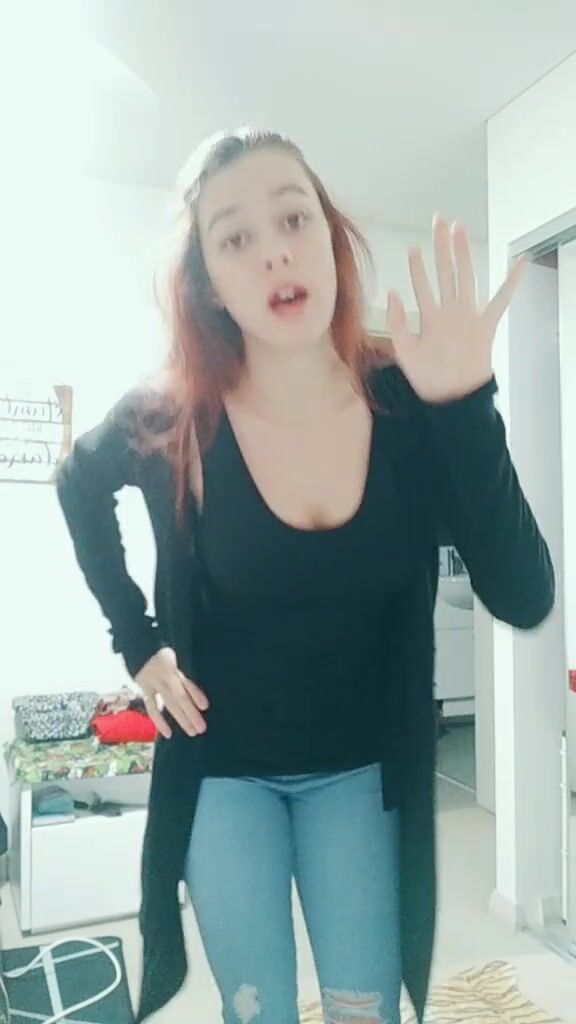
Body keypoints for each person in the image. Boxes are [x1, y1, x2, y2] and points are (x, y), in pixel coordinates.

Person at [56, 127, 554, 1024]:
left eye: (294, 219)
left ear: (330, 238)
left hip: (362, 774)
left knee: (365, 1011)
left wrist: (465, 405)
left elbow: (525, 594)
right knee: (260, 1011)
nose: (274, 252)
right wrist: (139, 645)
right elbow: (77, 482)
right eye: (235, 238)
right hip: (223, 775)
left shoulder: (406, 402)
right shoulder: (174, 415)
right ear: (208, 281)